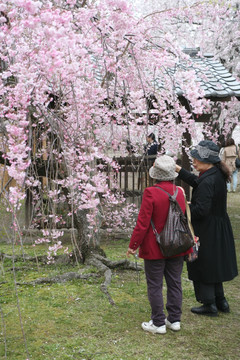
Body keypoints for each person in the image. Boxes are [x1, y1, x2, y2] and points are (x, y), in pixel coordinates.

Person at [126, 155, 192, 334]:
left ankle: (158, 323)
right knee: (175, 282)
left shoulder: (151, 192)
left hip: (154, 247)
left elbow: (143, 222)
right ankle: (174, 320)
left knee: (155, 284)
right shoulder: (179, 191)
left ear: (155, 175)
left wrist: (133, 245)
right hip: (177, 245)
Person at [176, 140, 238, 316]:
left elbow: (200, 211)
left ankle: (209, 304)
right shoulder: (216, 174)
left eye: (196, 159)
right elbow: (197, 182)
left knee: (206, 264)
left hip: (207, 228)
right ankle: (221, 301)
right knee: (216, 264)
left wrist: (185, 207)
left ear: (207, 161)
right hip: (218, 226)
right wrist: (180, 171)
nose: (194, 161)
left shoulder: (208, 181)